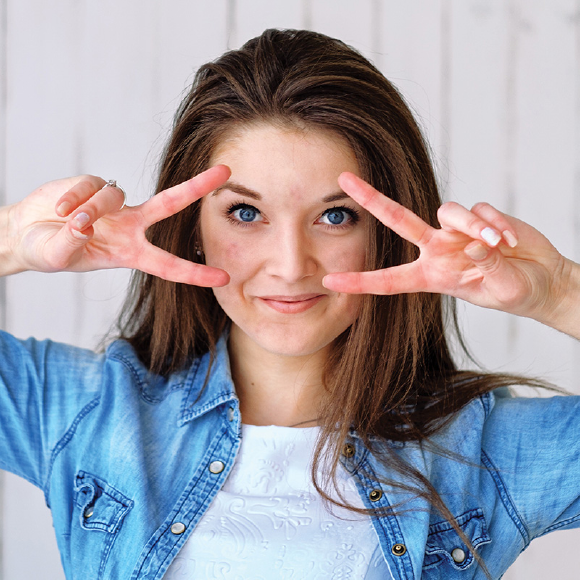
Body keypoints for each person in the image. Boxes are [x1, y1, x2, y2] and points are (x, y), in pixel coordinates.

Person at [0, 28, 579, 580]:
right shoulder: (86, 412)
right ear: (193, 226)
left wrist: (558, 292)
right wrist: (11, 240)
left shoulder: (479, 450)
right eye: (246, 213)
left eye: (335, 216)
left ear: (384, 234)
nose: (291, 264)